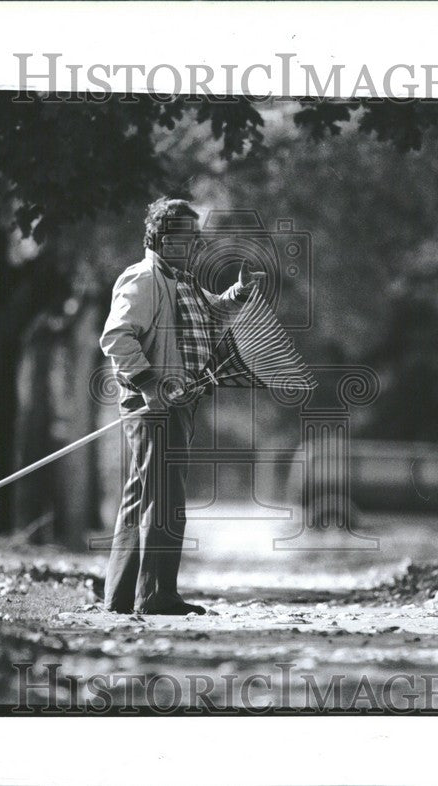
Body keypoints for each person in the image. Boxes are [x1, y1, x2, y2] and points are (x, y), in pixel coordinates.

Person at [99, 198, 265, 614]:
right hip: (152, 406)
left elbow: (212, 313)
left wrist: (240, 290)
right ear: (163, 237)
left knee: (143, 497)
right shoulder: (142, 279)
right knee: (165, 499)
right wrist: (148, 383)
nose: (195, 245)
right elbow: (117, 337)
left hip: (177, 404)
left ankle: (120, 597)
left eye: (197, 237)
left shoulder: (181, 281)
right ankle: (157, 596)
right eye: (189, 237)